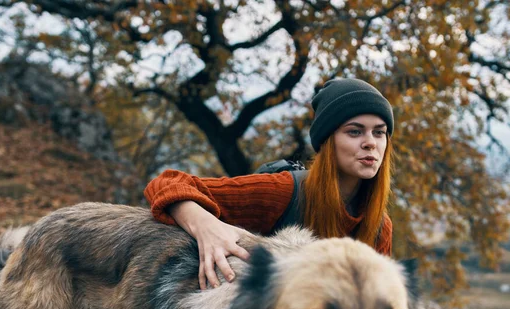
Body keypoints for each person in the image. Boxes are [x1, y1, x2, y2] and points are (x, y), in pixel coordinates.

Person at [144, 78, 394, 290]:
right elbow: (167, 182)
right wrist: (206, 226)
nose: (370, 142)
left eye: (379, 132)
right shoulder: (285, 192)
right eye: (354, 131)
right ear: (328, 142)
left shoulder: (378, 227)